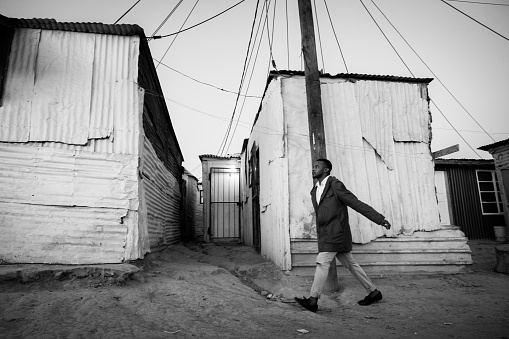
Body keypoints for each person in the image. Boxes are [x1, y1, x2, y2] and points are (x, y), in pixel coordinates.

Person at [295, 158, 392, 313]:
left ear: (326, 170)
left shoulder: (335, 185)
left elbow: (356, 203)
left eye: (317, 167)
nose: (313, 169)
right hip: (326, 234)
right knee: (351, 264)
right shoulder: (315, 190)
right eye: (313, 167)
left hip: (336, 234)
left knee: (322, 261)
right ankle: (373, 292)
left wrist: (379, 219)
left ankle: (313, 300)